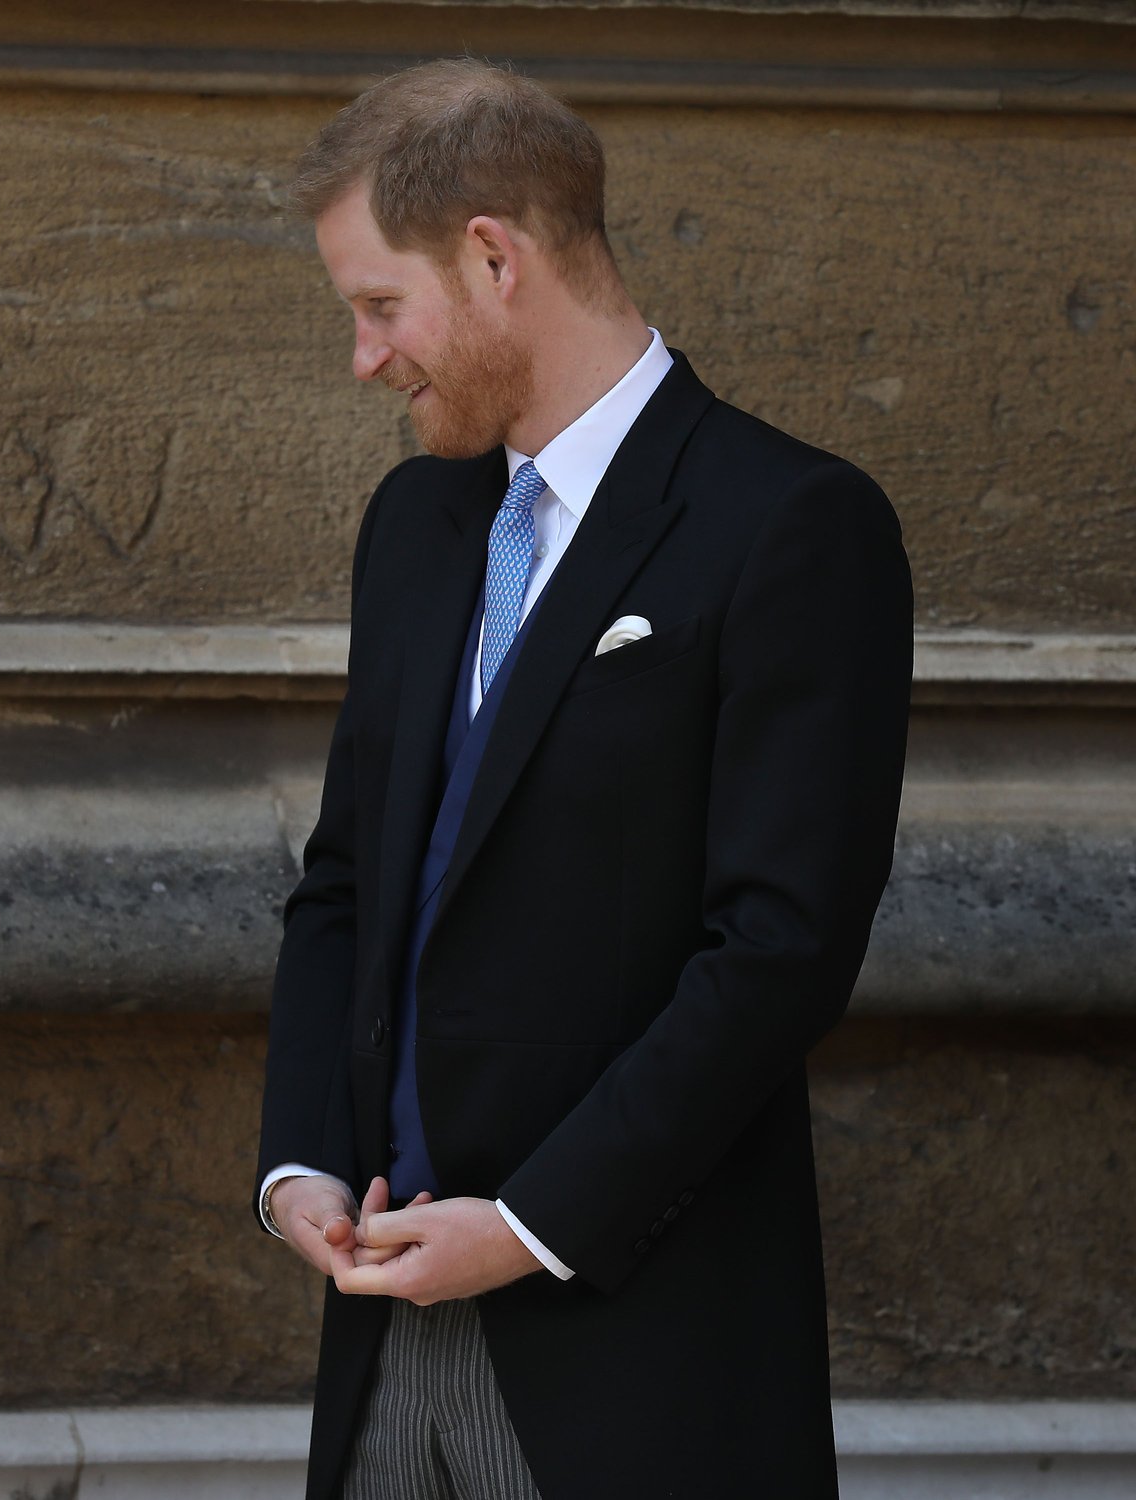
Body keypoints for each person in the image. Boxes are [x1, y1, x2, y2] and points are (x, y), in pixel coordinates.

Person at [256, 59, 911, 1500]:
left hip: (636, 1359)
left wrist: (532, 1224)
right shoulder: (417, 522)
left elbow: (779, 956)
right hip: (380, 1356)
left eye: (380, 306)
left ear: (495, 256)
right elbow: (351, 879)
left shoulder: (791, 527)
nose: (366, 357)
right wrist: (299, 1161)